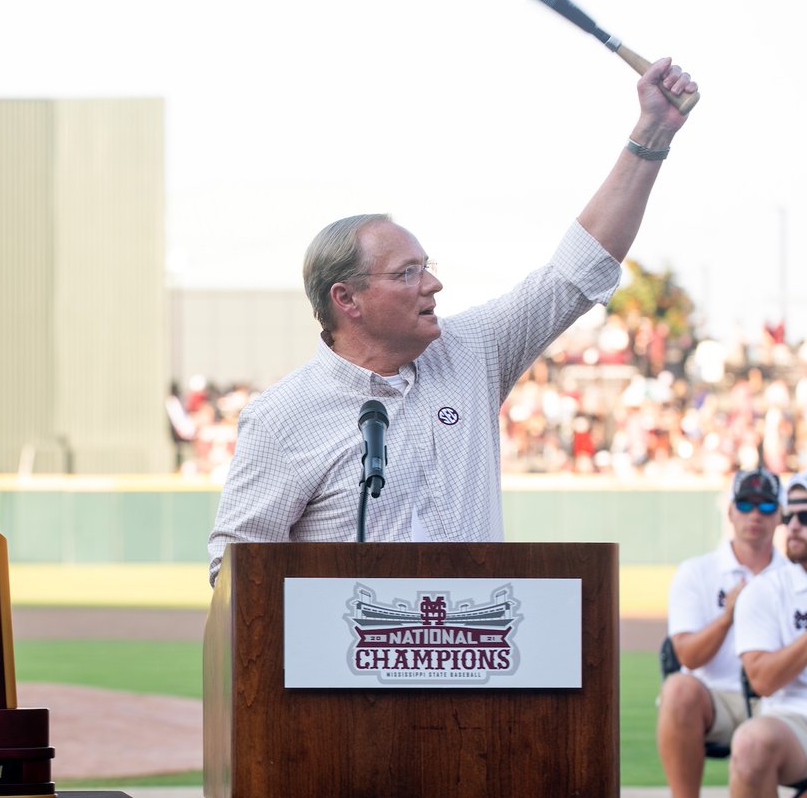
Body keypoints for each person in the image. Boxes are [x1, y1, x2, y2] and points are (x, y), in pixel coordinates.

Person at [206, 58, 699, 585]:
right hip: (347, 664)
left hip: (475, 659)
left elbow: (575, 271)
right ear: (347, 298)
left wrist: (652, 133)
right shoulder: (283, 417)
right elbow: (235, 573)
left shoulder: (473, 351)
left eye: (428, 268)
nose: (432, 285)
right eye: (407, 273)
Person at [657, 466, 787, 798]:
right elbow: (686, 655)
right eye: (745, 504)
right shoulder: (697, 572)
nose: (754, 514)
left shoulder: (794, 578)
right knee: (677, 690)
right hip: (717, 700)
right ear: (730, 511)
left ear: (780, 515)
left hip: (781, 701)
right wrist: (728, 616)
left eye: (766, 506)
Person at [729, 470, 807, 797]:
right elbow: (761, 680)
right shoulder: (765, 590)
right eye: (788, 516)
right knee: (750, 744)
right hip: (795, 718)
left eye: (805, 516)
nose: (792, 526)